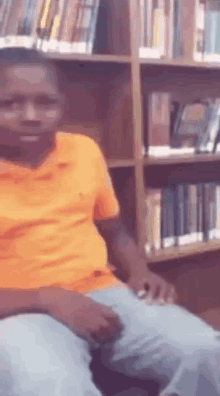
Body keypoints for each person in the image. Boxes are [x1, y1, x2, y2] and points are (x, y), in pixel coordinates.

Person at [0, 47, 219, 396]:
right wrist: (48, 298)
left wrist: (139, 271)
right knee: (51, 386)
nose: (30, 115)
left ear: (62, 107)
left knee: (205, 349)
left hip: (103, 292)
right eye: (9, 104)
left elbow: (113, 229)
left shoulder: (84, 151)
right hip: (19, 310)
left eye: (46, 102)